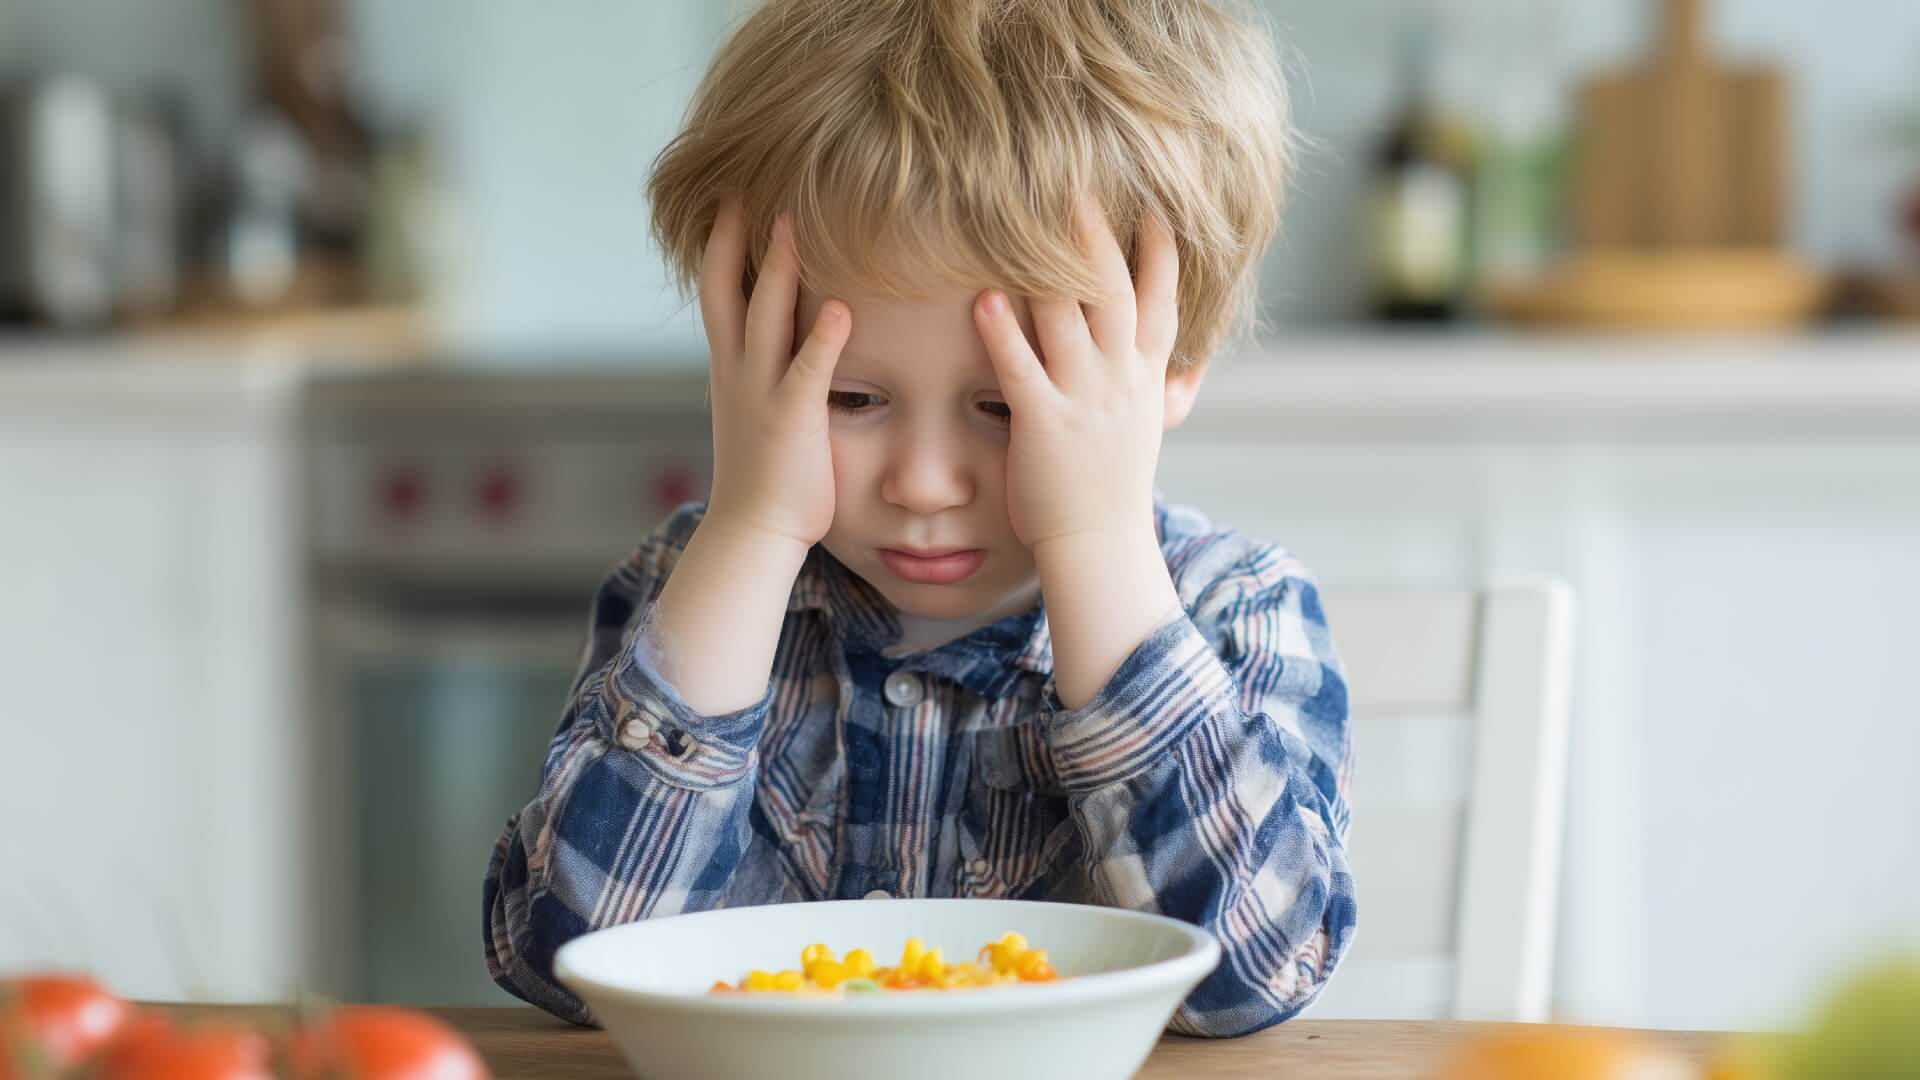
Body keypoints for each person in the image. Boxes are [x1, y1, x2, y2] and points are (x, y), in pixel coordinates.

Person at [484, 0, 1354, 1037]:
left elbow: (1252, 975)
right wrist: (754, 527)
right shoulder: (695, 584)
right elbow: (568, 957)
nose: (925, 483)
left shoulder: (1239, 608)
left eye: (1005, 407)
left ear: (1171, 370)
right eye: (851, 398)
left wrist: (1095, 542)